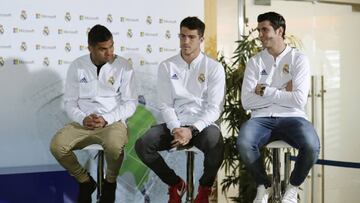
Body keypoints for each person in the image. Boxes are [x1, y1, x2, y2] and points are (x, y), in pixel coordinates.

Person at [135, 17, 225, 203]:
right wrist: (176, 128)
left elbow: (214, 109)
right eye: (182, 36)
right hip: (175, 123)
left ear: (201, 39)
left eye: (191, 37)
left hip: (202, 125)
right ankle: (175, 183)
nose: (185, 42)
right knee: (143, 145)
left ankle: (205, 188)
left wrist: (192, 130)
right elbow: (165, 105)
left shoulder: (214, 68)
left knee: (216, 143)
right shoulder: (167, 66)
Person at [236, 12, 320, 203]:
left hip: (293, 117)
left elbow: (299, 100)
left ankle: (292, 187)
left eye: (265, 30)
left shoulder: (299, 60)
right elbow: (247, 102)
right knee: (243, 143)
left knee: (312, 146)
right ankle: (263, 186)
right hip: (260, 119)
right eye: (259, 30)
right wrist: (283, 91)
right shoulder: (255, 62)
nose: (260, 34)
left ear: (279, 30)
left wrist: (265, 91)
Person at [50, 24, 136, 203]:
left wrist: (107, 118)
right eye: (103, 49)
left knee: (114, 146)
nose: (109, 52)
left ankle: (110, 182)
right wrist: (83, 118)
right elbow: (70, 102)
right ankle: (85, 181)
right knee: (57, 146)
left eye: (111, 46)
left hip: (112, 122)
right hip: (83, 123)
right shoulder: (77, 66)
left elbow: (130, 103)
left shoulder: (123, 66)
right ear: (90, 48)